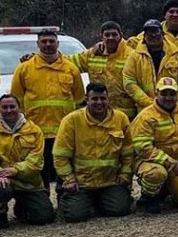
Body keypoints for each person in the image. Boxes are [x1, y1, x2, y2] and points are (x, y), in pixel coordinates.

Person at [12, 29, 85, 191]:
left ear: (57, 44)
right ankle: (42, 201)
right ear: (37, 44)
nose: (48, 44)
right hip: (35, 132)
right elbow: (16, 101)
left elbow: (79, 100)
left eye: (51, 41)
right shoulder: (24, 69)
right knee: (39, 172)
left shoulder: (71, 69)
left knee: (64, 170)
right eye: (44, 41)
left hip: (64, 131)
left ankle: (64, 200)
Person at [53, 83, 134, 222]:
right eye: (95, 99)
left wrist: (125, 175)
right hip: (81, 183)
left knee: (120, 210)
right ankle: (68, 197)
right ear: (86, 99)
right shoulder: (71, 121)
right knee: (75, 216)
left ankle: (100, 201)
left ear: (108, 99)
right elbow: (60, 156)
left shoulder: (121, 119)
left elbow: (128, 153)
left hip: (109, 182)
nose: (99, 102)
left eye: (103, 98)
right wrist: (69, 180)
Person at [0, 94, 55, 228]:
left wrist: (14, 171)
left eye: (12, 106)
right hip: (2, 180)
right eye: (5, 107)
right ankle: (0, 216)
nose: (9, 110)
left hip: (29, 183)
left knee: (44, 217)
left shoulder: (34, 131)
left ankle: (22, 208)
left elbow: (36, 161)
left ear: (19, 108)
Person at [130, 77, 178, 212]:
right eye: (164, 94)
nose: (168, 98)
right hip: (151, 162)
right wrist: (170, 163)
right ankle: (148, 197)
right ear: (156, 94)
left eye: (172, 94)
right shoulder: (145, 117)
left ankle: (167, 189)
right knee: (157, 174)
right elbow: (144, 149)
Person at [70, 21, 136, 119]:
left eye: (114, 34)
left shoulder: (131, 55)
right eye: (107, 35)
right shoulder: (92, 54)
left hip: (125, 116)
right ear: (102, 37)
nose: (111, 38)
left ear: (121, 35)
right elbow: (67, 63)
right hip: (98, 114)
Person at [123, 19, 178, 111]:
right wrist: (147, 102)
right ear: (144, 36)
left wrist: (176, 97)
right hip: (146, 109)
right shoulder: (135, 56)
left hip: (172, 108)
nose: (153, 35)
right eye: (149, 32)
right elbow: (129, 81)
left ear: (163, 34)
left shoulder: (175, 54)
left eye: (156, 32)